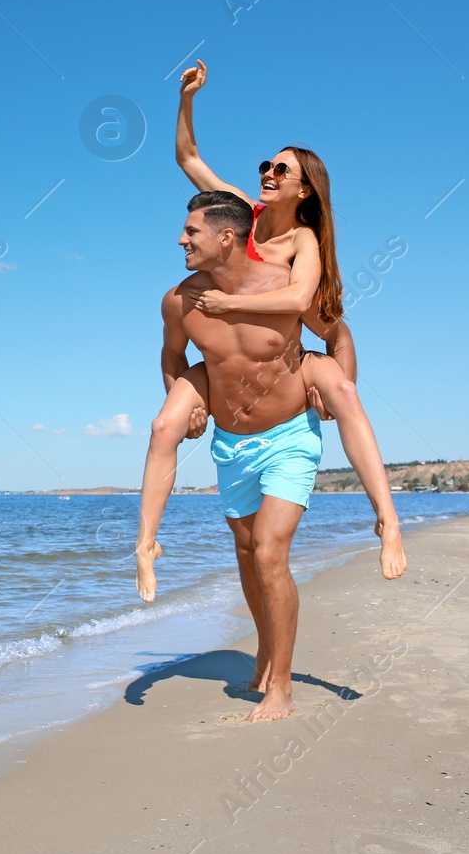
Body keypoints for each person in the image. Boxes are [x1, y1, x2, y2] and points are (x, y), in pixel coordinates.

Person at [135, 59, 406, 604]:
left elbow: (305, 304)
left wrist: (322, 393)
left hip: (284, 352)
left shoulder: (300, 242)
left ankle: (388, 519)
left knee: (342, 392)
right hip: (229, 364)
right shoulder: (242, 216)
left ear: (305, 190)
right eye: (267, 164)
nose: (269, 173)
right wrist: (187, 99)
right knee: (165, 426)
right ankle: (145, 544)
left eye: (283, 171)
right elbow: (187, 157)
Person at [136, 192, 355, 722]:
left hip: (287, 432)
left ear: (226, 237)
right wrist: (189, 404)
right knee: (245, 551)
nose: (181, 239)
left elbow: (339, 331)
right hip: (232, 439)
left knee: (268, 552)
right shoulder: (177, 300)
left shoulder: (283, 287)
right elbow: (173, 354)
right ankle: (263, 648)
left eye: (192, 231)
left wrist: (335, 388)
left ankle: (281, 683)